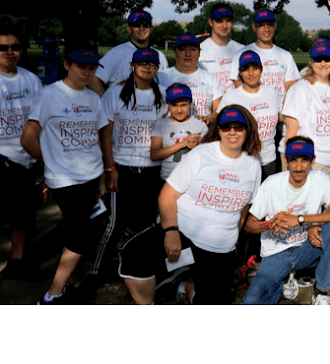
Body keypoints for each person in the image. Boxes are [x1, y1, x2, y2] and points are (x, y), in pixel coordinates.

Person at [118, 106, 262, 304]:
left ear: (247, 130)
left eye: (238, 127)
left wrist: (232, 239)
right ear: (219, 130)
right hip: (184, 231)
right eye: (226, 127)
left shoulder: (253, 165)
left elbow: (244, 208)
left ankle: (185, 284)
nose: (232, 132)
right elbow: (167, 195)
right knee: (133, 254)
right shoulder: (201, 154)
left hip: (220, 246)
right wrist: (171, 232)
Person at [20, 49, 113, 303]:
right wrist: (52, 162)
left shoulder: (93, 98)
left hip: (91, 176)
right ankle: (52, 294)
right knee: (82, 233)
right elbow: (28, 139)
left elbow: (100, 135)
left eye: (92, 68)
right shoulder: (50, 94)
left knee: (80, 228)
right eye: (81, 66)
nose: (86, 72)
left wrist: (106, 173)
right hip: (65, 180)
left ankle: (69, 279)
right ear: (66, 65)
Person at [89, 48, 168, 281]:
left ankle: (140, 268)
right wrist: (110, 168)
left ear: (157, 68)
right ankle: (96, 272)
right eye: (141, 63)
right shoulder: (114, 93)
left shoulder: (163, 95)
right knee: (115, 222)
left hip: (153, 169)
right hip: (123, 168)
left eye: (152, 64)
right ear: (132, 66)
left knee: (147, 223)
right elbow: (105, 133)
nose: (147, 67)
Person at [243, 137, 330, 305]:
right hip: (275, 253)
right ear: (286, 161)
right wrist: (269, 225)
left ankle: (320, 292)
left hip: (306, 247)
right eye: (293, 160)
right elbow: (249, 225)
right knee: (251, 303)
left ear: (312, 161)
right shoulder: (272, 184)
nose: (299, 167)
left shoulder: (319, 179)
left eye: (304, 160)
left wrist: (302, 220)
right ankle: (282, 280)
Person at [218, 51, 281, 276]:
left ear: (261, 70)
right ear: (240, 72)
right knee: (241, 210)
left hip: (268, 162)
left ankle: (259, 256)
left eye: (255, 68)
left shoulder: (273, 94)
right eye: (246, 69)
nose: (251, 73)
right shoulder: (231, 97)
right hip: (241, 163)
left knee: (264, 212)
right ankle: (237, 257)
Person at [0, 27, 43, 279]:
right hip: (2, 155)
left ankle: (17, 261)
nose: (9, 52)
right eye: (3, 48)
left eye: (15, 47)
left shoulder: (31, 80)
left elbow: (41, 119)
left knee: (23, 213)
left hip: (26, 155)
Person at [282, 44, 330, 185]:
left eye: (327, 59)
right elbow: (291, 130)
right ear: (311, 62)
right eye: (318, 60)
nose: (323, 64)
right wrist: (291, 161)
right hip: (312, 162)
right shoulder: (301, 88)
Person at [230, 9, 301, 105]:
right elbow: (239, 89)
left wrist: (284, 111)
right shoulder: (241, 54)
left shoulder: (286, 56)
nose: (266, 29)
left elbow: (291, 87)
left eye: (270, 24)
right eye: (261, 25)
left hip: (282, 115)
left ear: (275, 26)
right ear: (254, 27)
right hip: (253, 114)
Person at [92, 10, 169, 94]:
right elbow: (93, 79)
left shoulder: (160, 56)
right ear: (129, 29)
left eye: (146, 25)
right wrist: (105, 103)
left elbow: (165, 86)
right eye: (137, 25)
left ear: (151, 29)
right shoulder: (116, 53)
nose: (141, 28)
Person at [159, 33, 223, 124]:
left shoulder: (211, 79)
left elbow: (218, 110)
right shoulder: (161, 77)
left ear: (199, 53)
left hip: (202, 134)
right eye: (182, 49)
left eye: (192, 49)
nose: (187, 54)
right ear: (175, 52)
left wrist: (209, 118)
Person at [150, 84, 209, 182]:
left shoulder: (200, 124)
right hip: (168, 178)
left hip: (194, 179)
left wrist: (199, 142)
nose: (179, 110)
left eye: (183, 105)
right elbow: (154, 155)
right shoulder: (160, 124)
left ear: (190, 103)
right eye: (174, 105)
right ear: (168, 104)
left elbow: (209, 152)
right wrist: (183, 143)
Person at [198, 3, 245, 93]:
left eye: (228, 21)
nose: (224, 25)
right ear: (210, 22)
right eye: (219, 21)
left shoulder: (242, 50)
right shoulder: (200, 51)